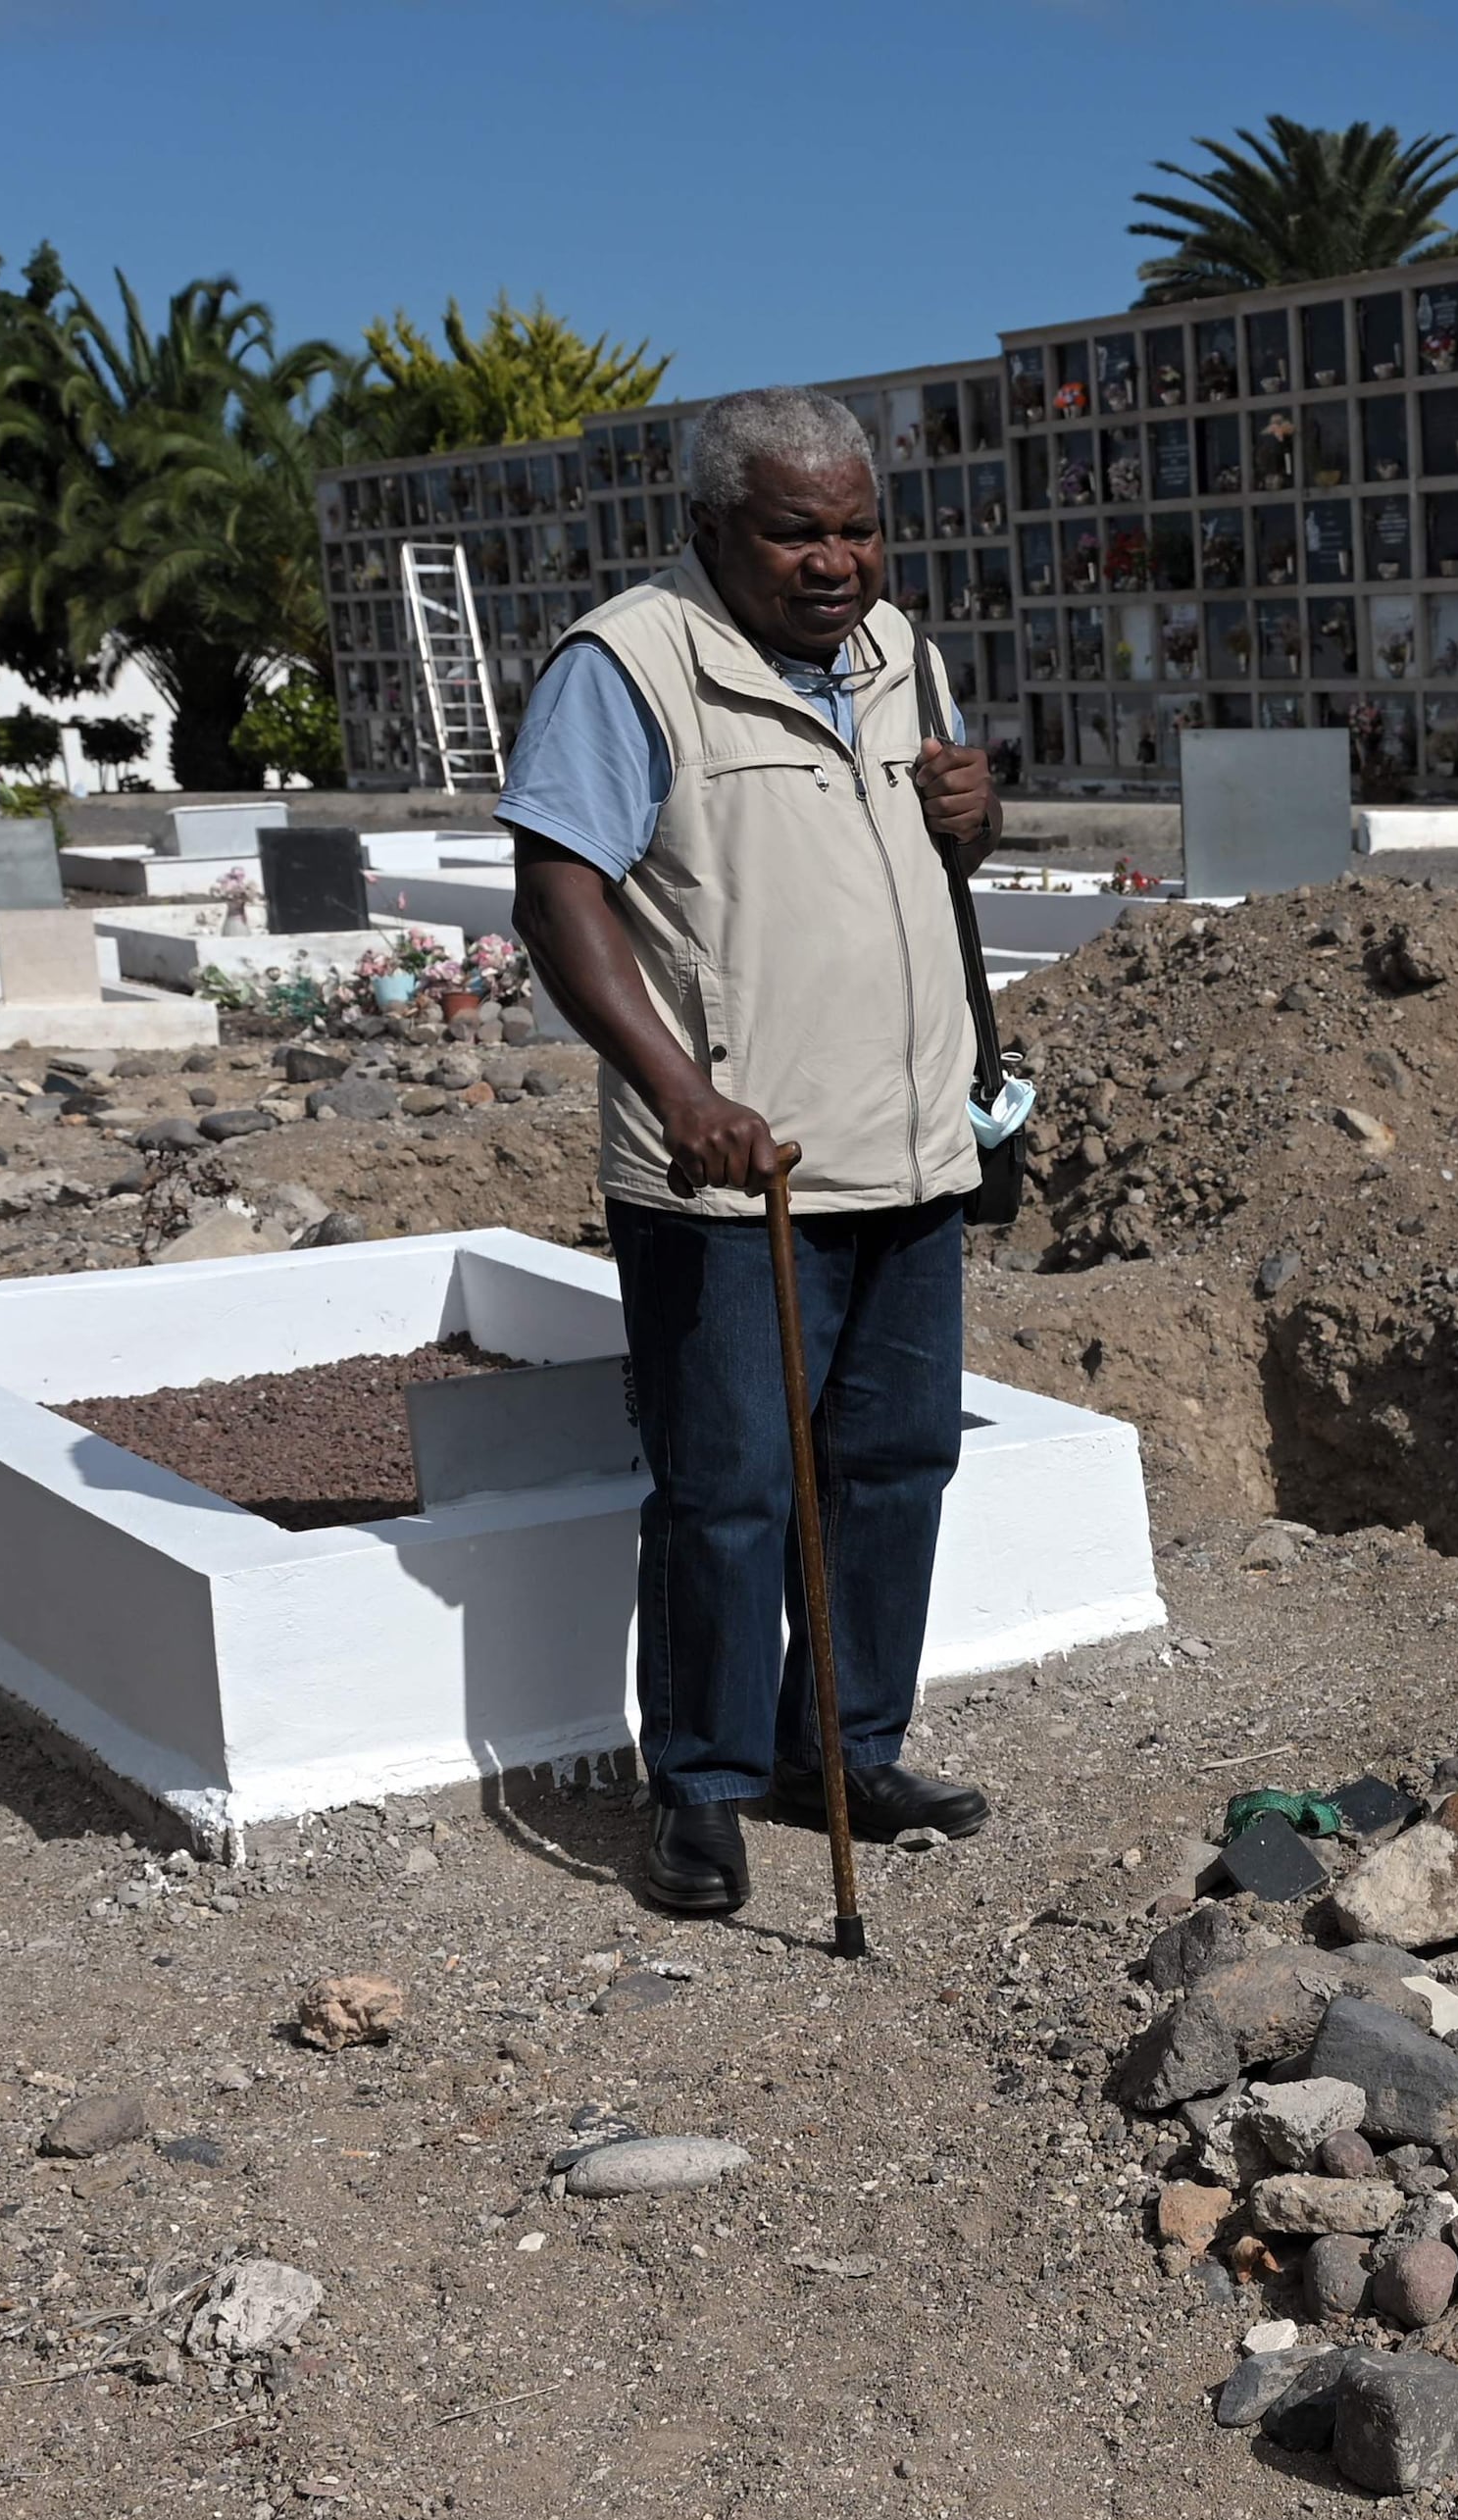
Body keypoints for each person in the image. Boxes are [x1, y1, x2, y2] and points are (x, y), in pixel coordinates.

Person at [501, 386, 998, 1919]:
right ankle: (702, 1789)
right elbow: (557, 896)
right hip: (739, 1172)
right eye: (798, 532)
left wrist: (973, 818)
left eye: (858, 526)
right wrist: (676, 1090)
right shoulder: (627, 665)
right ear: (714, 526)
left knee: (893, 1471)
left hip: (908, 1149)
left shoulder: (896, 650)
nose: (837, 560)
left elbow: (921, 854)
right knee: (728, 1492)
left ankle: (843, 1752)